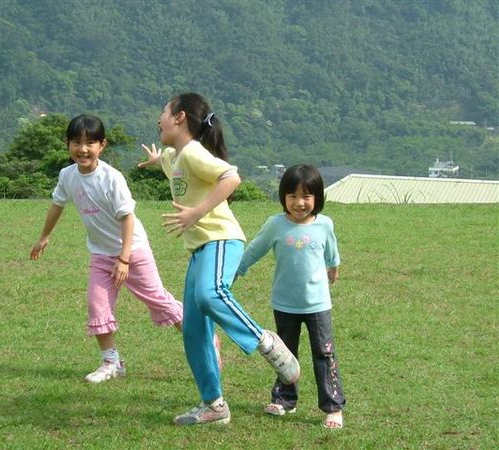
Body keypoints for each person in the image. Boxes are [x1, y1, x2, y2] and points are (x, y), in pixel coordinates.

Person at [139, 93, 299, 426]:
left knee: (211, 294)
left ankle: (265, 341)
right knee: (194, 329)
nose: (158, 120)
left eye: (163, 113)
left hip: (221, 240)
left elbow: (231, 177)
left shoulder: (195, 152)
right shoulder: (177, 155)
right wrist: (157, 160)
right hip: (200, 249)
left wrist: (196, 212)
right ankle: (214, 405)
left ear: (180, 117)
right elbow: (170, 163)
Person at [30, 114, 185, 384]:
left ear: (102, 145)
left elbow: (128, 217)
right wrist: (44, 237)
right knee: (97, 304)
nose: (83, 149)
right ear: (67, 145)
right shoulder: (67, 176)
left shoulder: (112, 178)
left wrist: (124, 259)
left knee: (160, 302)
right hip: (101, 254)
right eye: (76, 142)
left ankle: (205, 341)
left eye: (90, 142)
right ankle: (111, 362)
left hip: (132, 251)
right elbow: (57, 204)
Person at [235, 164, 346, 429]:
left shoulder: (324, 224)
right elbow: (254, 250)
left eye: (307, 196)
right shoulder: (276, 225)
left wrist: (334, 267)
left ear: (317, 198)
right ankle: (285, 399)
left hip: (317, 304)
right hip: (285, 304)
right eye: (293, 196)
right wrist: (235, 271)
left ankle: (332, 406)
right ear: (283, 197)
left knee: (324, 353)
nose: (300, 203)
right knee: (284, 353)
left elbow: (331, 251)